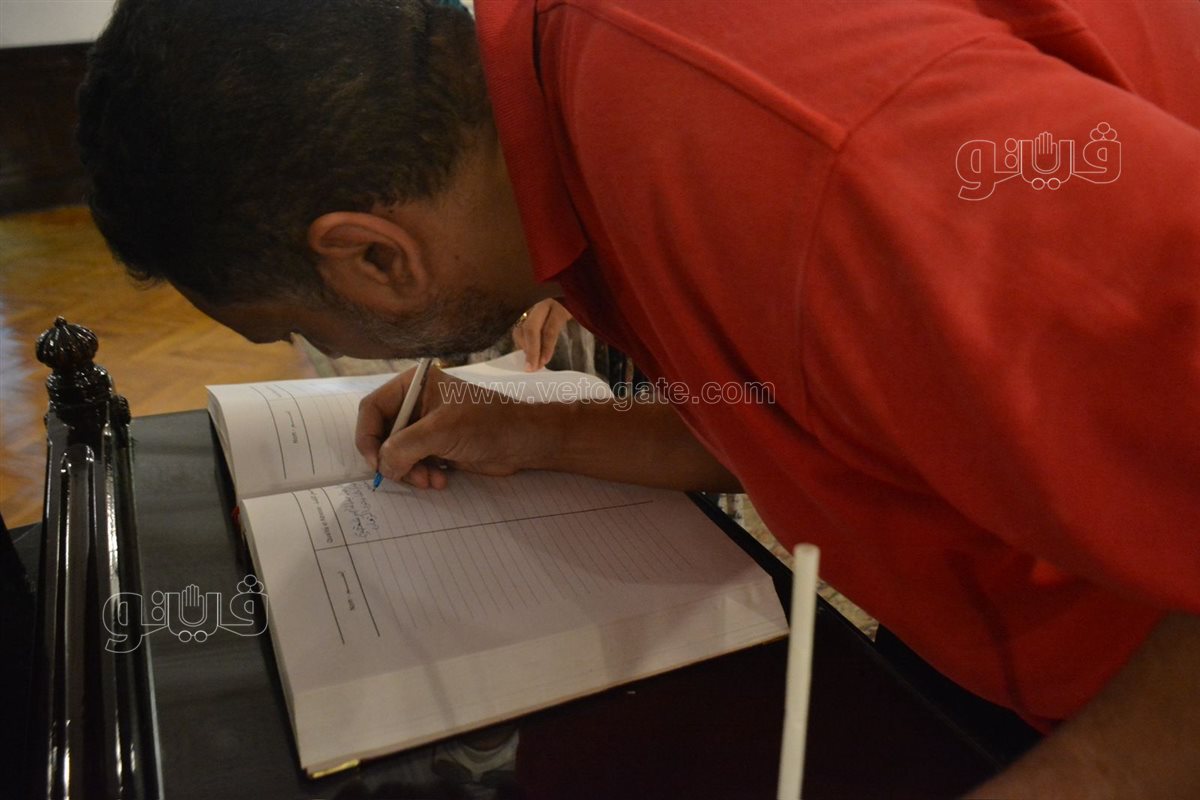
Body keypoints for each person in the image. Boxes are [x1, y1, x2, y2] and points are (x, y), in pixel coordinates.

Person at [76, 0, 1200, 795]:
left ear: (375, 257)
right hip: (1006, 645)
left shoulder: (809, 158)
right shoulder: (552, 118)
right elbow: (812, 392)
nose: (331, 353)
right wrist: (543, 427)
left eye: (307, 331)